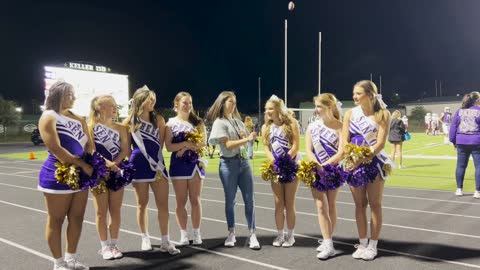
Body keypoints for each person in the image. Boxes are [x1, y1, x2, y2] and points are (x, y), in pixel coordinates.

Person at [38, 81, 93, 270]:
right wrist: (82, 164)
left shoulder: (78, 118)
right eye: (70, 94)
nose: (74, 98)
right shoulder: (48, 117)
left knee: (77, 217)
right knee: (56, 220)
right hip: (57, 175)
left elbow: (89, 145)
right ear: (58, 95)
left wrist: (90, 160)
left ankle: (71, 259)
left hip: (81, 175)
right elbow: (57, 150)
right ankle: (58, 263)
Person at [124, 86, 180, 255]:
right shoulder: (129, 122)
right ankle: (145, 237)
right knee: (142, 204)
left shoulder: (160, 120)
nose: (153, 101)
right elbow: (126, 149)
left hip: (157, 166)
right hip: (138, 164)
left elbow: (160, 145)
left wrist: (156, 163)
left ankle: (165, 240)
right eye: (150, 98)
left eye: (154, 99)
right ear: (141, 99)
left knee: (163, 204)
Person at [341, 80, 394, 260]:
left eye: (358, 93)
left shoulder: (383, 114)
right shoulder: (349, 113)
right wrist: (350, 158)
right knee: (359, 205)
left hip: (374, 163)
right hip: (353, 162)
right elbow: (344, 139)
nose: (354, 97)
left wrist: (363, 158)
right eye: (353, 93)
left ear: (370, 95)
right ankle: (362, 243)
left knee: (375, 204)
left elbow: (380, 143)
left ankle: (373, 245)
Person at [206, 91, 260, 249]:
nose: (233, 105)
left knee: (250, 200)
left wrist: (245, 136)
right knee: (230, 201)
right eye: (230, 102)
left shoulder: (238, 122)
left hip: (244, 164)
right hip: (228, 165)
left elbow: (242, 143)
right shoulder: (219, 122)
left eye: (235, 102)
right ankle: (231, 233)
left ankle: (252, 234)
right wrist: (247, 139)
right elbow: (228, 145)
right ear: (222, 103)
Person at [89, 95, 131, 260]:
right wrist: (107, 164)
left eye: (115, 105)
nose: (115, 108)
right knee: (101, 212)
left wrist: (115, 165)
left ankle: (113, 244)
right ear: (100, 107)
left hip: (116, 172)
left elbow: (125, 150)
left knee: (115, 210)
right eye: (111, 105)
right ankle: (104, 246)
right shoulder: (91, 127)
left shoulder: (121, 128)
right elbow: (92, 151)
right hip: (99, 173)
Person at [304, 93, 344, 259]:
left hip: (333, 169)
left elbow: (342, 151)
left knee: (331, 205)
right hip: (316, 170)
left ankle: (328, 240)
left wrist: (327, 165)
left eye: (319, 106)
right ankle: (328, 244)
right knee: (321, 206)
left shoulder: (341, 126)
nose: (316, 109)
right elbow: (308, 150)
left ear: (330, 107)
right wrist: (317, 165)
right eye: (316, 106)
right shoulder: (312, 127)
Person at [165, 92, 206, 246]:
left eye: (190, 102)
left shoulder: (198, 122)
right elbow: (169, 147)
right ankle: (183, 234)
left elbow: (203, 143)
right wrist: (185, 145)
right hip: (178, 165)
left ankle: (196, 233)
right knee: (180, 201)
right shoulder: (170, 124)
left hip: (195, 164)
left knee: (195, 200)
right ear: (176, 104)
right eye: (184, 103)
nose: (188, 105)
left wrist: (189, 146)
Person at [261, 95, 300, 248]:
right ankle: (279, 235)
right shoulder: (266, 127)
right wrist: (274, 162)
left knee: (289, 203)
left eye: (270, 108)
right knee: (278, 203)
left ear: (278, 109)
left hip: (291, 166)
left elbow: (296, 146)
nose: (267, 112)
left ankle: (291, 236)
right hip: (275, 168)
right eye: (266, 109)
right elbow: (266, 148)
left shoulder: (291, 124)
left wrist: (285, 162)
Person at [450, 92, 480, 198]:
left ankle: (459, 189)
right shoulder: (479, 111)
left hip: (461, 141)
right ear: (476, 100)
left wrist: (453, 141)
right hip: (476, 141)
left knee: (460, 166)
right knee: (479, 166)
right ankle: (477, 191)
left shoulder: (459, 111)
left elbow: (453, 127)